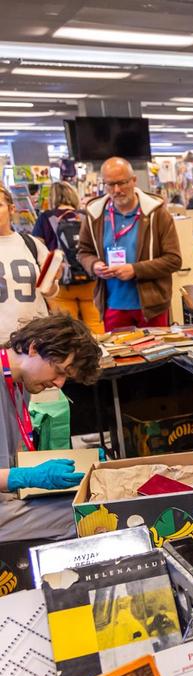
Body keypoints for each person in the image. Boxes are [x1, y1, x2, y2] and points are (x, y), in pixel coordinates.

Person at [0, 314, 102, 545]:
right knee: (93, 517)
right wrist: (24, 476)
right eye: (60, 370)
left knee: (96, 499)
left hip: (6, 501)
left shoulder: (18, 383)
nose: (59, 383)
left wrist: (81, 461)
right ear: (34, 348)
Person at [77, 157, 182, 331]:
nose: (116, 190)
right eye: (110, 184)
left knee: (157, 356)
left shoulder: (157, 215)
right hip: (112, 305)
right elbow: (83, 251)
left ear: (134, 181)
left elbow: (174, 259)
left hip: (151, 307)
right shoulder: (94, 216)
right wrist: (94, 264)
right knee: (119, 357)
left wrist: (135, 270)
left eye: (122, 183)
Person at [31, 181, 102, 335]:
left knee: (68, 330)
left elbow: (37, 248)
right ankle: (102, 355)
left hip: (61, 282)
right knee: (96, 325)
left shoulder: (45, 218)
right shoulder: (86, 216)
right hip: (90, 280)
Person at [0, 185, 50, 343]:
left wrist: (53, 277)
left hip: (35, 338)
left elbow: (50, 291)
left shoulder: (31, 244)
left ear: (11, 209)